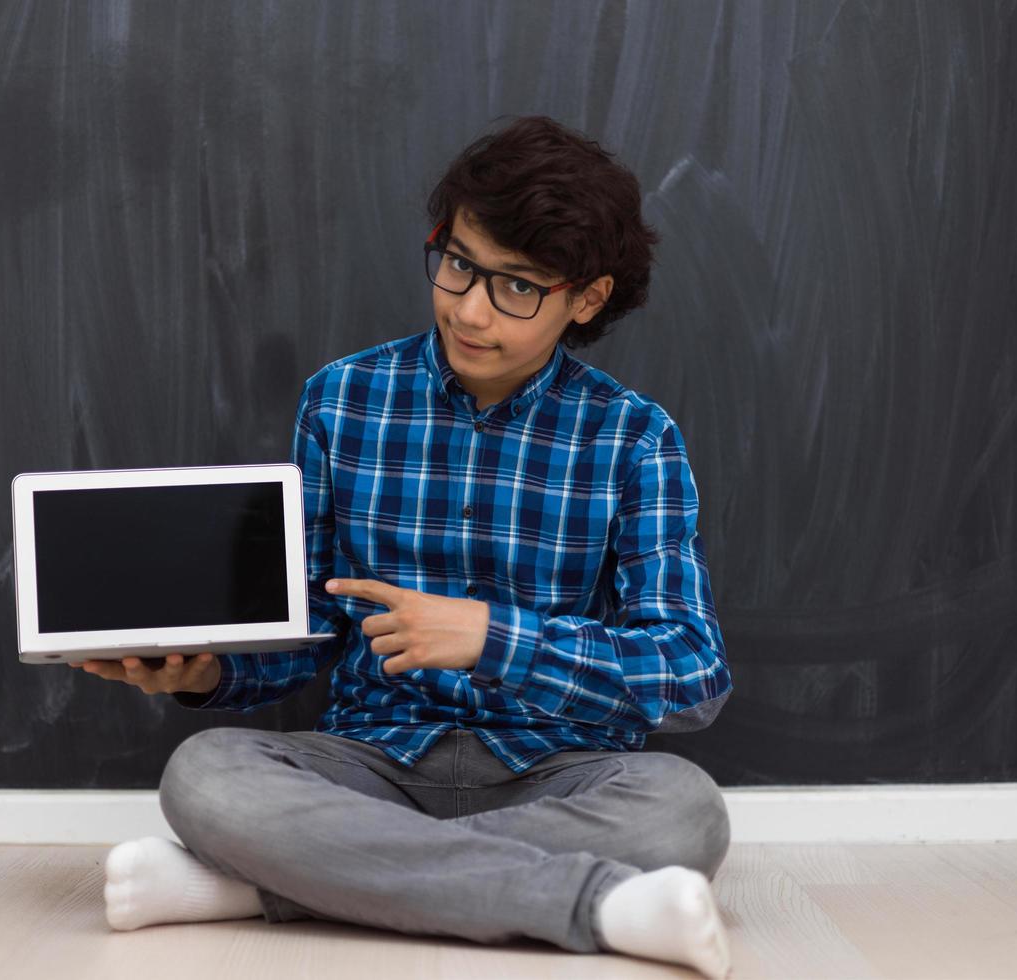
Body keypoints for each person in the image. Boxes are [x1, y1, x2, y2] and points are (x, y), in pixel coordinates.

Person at [72, 115, 734, 979]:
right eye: (458, 264)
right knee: (206, 772)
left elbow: (690, 674)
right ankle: (590, 902)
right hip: (370, 760)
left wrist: (496, 640)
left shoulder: (634, 438)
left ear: (587, 298)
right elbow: (305, 622)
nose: (468, 308)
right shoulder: (341, 399)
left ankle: (280, 886)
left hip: (556, 768)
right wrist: (208, 671)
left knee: (683, 811)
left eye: (517, 288)